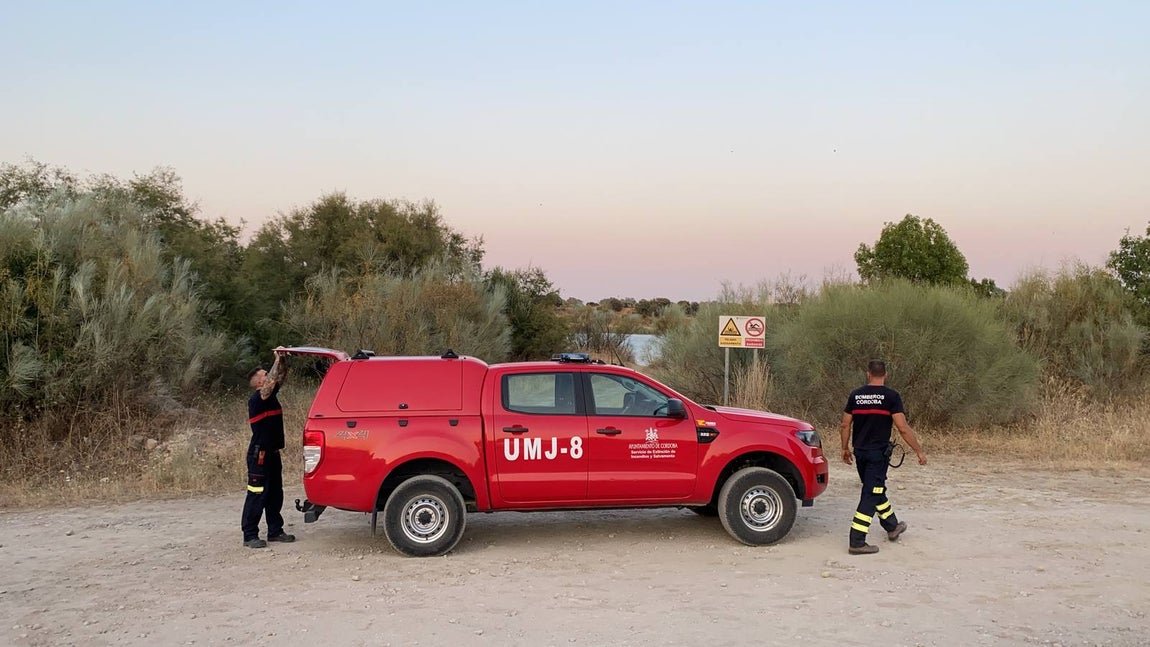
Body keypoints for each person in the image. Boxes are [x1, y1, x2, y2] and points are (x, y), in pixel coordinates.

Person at [840, 359, 926, 555]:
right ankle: (857, 540)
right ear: (885, 374)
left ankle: (892, 526)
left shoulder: (856, 395)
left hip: (860, 453)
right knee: (871, 493)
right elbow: (902, 428)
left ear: (868, 374)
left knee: (875, 489)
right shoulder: (891, 397)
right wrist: (918, 451)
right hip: (877, 455)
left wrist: (844, 449)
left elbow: (845, 425)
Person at [241, 348, 295, 548]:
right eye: (264, 374)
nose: (269, 375)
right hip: (259, 455)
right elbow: (272, 380)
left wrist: (282, 360)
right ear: (259, 382)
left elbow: (280, 377)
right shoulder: (257, 399)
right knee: (257, 494)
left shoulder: (271, 394)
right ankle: (249, 534)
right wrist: (275, 360)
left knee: (275, 493)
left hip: (273, 454)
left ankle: (275, 531)